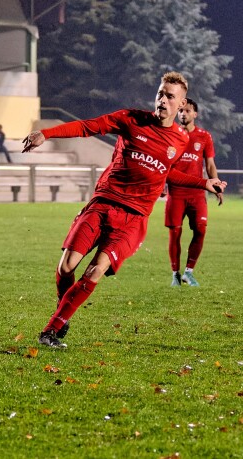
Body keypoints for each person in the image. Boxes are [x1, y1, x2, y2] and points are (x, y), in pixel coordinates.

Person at [21, 72, 227, 348]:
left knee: (96, 269)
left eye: (170, 97)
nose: (163, 100)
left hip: (134, 218)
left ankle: (51, 331)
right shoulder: (131, 119)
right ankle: (64, 308)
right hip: (104, 203)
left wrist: (205, 183)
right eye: (160, 94)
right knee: (66, 266)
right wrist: (46, 133)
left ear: (181, 105)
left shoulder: (180, 141)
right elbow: (88, 127)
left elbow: (167, 173)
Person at [165, 98, 220, 287]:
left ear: (195, 114)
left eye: (187, 111)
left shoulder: (204, 136)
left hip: (197, 193)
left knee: (201, 230)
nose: (183, 114)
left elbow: (210, 164)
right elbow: (164, 163)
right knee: (175, 234)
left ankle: (189, 272)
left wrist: (217, 185)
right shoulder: (171, 134)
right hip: (176, 193)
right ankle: (175, 274)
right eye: (181, 111)